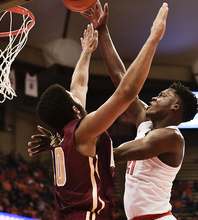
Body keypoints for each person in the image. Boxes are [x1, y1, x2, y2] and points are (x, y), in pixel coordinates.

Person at [29, 4, 169, 220]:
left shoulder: (63, 135)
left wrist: (86, 53)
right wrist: (153, 39)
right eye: (72, 96)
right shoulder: (83, 130)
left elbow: (79, 86)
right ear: (75, 109)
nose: (75, 92)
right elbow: (126, 92)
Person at [81, 1, 198, 219]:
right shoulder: (145, 120)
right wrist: (102, 28)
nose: (154, 97)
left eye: (162, 96)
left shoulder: (172, 137)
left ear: (175, 107)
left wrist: (73, 142)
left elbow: (117, 154)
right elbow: (120, 79)